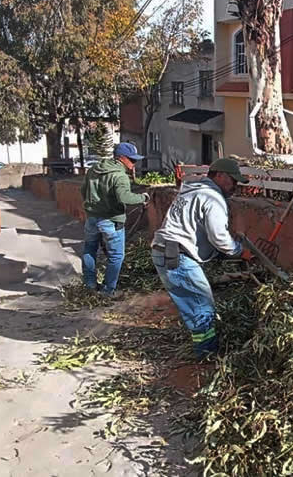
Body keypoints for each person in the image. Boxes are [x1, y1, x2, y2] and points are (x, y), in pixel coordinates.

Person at [151, 158, 253, 360]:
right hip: (177, 256)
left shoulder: (192, 190)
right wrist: (240, 252)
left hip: (167, 250)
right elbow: (219, 238)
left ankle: (204, 347)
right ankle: (206, 355)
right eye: (233, 181)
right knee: (202, 306)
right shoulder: (212, 197)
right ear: (220, 176)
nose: (235, 186)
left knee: (195, 303)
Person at [80, 142, 150, 298]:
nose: (134, 164)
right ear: (121, 158)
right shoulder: (120, 176)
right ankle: (108, 290)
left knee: (90, 249)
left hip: (92, 217)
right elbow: (125, 197)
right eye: (132, 160)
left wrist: (92, 206)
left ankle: (90, 285)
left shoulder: (93, 170)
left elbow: (83, 190)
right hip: (111, 220)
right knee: (116, 256)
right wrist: (142, 198)